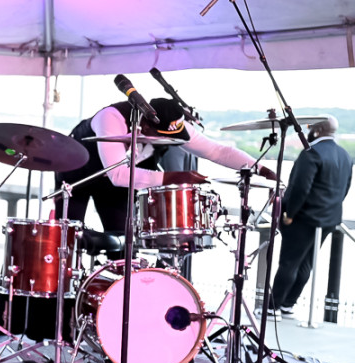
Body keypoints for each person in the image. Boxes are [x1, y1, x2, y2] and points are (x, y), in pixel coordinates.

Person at [55, 98, 276, 233]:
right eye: (162, 137)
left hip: (118, 184)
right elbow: (117, 174)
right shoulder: (111, 118)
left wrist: (258, 167)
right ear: (145, 126)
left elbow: (216, 151)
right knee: (69, 239)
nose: (169, 142)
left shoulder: (172, 127)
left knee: (121, 245)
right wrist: (177, 178)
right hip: (77, 176)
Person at [270, 115, 352, 317]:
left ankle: (273, 307)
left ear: (318, 130)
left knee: (289, 263)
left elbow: (300, 188)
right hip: (328, 219)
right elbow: (345, 188)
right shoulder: (345, 155)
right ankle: (289, 305)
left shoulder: (311, 154)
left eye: (310, 127)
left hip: (303, 219)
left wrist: (289, 213)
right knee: (306, 263)